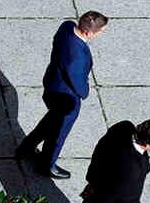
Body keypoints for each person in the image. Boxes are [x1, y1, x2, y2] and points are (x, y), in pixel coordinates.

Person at [15, 11, 109, 179]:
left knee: (50, 121)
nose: (101, 33)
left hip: (52, 82)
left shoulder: (67, 27)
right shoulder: (77, 56)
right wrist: (85, 91)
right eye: (100, 31)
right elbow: (79, 84)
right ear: (89, 33)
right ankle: (46, 165)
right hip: (66, 98)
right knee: (58, 134)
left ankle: (26, 147)